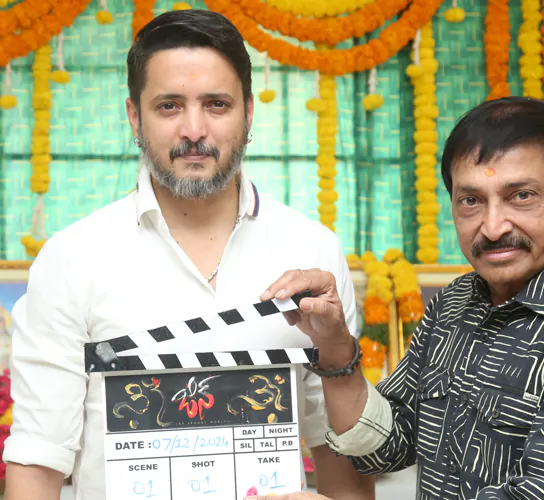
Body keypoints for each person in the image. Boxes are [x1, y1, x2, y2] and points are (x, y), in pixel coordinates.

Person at [3, 10, 373, 500]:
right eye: (169, 106)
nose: (194, 130)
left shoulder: (312, 249)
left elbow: (339, 450)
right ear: (135, 117)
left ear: (248, 113)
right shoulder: (71, 258)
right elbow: (38, 460)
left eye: (217, 104)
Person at [252, 97, 544, 500]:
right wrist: (334, 348)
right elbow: (386, 445)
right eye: (471, 200)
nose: (493, 227)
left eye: (521, 196)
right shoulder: (454, 304)